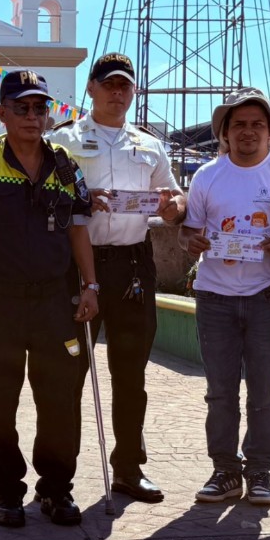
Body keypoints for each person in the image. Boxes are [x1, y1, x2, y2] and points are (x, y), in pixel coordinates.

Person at [0, 69, 98, 528]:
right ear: (2, 113)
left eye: (41, 107)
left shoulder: (66, 163)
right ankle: (7, 492)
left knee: (60, 400)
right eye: (23, 107)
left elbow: (78, 228)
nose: (33, 116)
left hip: (55, 304)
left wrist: (90, 285)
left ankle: (56, 490)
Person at [48, 53, 186, 504]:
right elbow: (46, 202)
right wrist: (84, 201)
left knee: (131, 375)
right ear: (90, 88)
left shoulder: (149, 145)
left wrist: (173, 208)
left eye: (125, 85)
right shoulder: (62, 141)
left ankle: (128, 468)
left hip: (132, 266)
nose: (117, 92)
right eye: (108, 84)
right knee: (68, 375)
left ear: (133, 91)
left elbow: (175, 197)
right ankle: (58, 479)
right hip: (75, 269)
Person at [179, 87, 270, 506]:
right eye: (239, 124)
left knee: (264, 392)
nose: (248, 132)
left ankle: (260, 471)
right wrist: (193, 242)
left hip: (267, 296)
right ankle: (225, 471)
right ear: (225, 132)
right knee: (220, 392)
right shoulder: (208, 176)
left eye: (256, 124)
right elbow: (189, 230)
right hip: (215, 298)